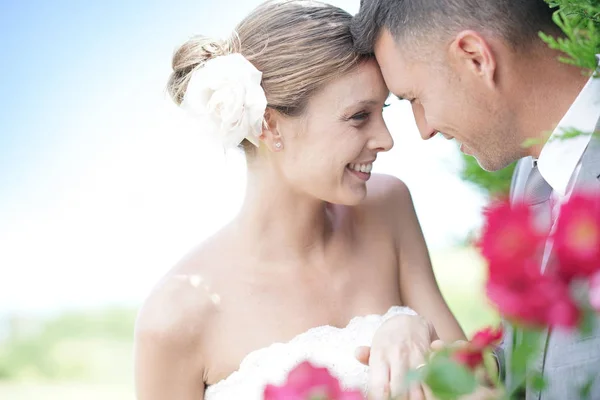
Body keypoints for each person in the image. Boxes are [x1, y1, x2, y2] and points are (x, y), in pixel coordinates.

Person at [133, 1, 466, 399]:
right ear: (269, 125)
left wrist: (418, 330)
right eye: (359, 116)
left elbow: (478, 381)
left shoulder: (388, 207)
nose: (386, 139)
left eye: (384, 111)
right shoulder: (175, 317)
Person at [352, 0, 600, 398]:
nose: (424, 129)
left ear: (476, 58)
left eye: (415, 97)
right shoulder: (533, 171)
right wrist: (457, 366)